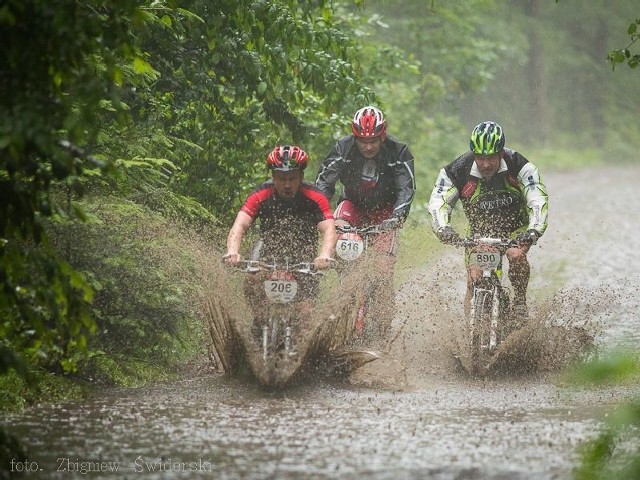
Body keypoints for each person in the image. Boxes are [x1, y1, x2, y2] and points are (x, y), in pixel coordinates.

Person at [428, 121, 548, 318]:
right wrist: (442, 229)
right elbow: (439, 202)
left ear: (501, 153)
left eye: (491, 158)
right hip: (480, 232)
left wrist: (534, 230)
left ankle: (519, 302)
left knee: (516, 256)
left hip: (516, 229)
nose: (485, 164)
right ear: (473, 153)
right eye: (480, 158)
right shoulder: (457, 169)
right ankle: (471, 336)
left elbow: (537, 199)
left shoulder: (519, 164)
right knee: (473, 279)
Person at [315, 105, 416, 337]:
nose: (368, 146)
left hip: (385, 212)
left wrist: (396, 217)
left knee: (382, 268)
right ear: (355, 136)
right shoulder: (343, 147)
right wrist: (325, 216)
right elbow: (323, 184)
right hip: (353, 206)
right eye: (362, 140)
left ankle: (381, 320)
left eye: (373, 140)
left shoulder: (399, 151)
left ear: (383, 134)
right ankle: (344, 292)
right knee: (341, 249)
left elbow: (406, 188)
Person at [224, 145, 336, 303]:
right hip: (267, 252)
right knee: (252, 280)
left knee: (304, 313)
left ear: (301, 176)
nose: (287, 184)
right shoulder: (261, 194)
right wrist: (232, 252)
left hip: (303, 255)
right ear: (273, 177)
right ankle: (258, 321)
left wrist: (324, 255)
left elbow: (329, 228)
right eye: (282, 179)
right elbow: (240, 225)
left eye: (292, 178)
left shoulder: (315, 196)